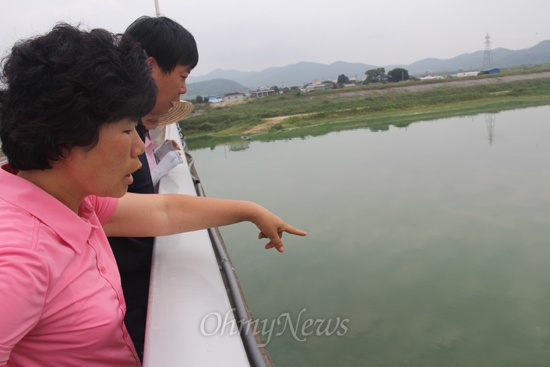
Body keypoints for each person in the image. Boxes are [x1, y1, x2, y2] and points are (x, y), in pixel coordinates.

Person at [0, 24, 306, 367]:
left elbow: (163, 211)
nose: (138, 147)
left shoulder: (72, 201)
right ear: (67, 135)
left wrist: (250, 211)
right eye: (127, 129)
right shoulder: (20, 259)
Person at [107, 16, 199, 359]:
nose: (184, 89)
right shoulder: (110, 142)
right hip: (127, 305)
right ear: (150, 67)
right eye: (182, 76)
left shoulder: (130, 132)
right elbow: (145, 211)